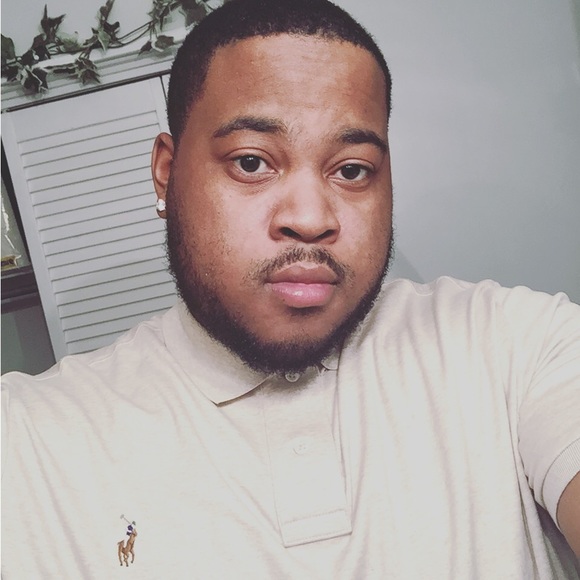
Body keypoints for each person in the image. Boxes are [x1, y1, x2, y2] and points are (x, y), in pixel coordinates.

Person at [2, 0, 579, 577]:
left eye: (351, 169)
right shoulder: (28, 438)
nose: (309, 218)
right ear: (166, 173)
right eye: (252, 163)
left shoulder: (518, 347)